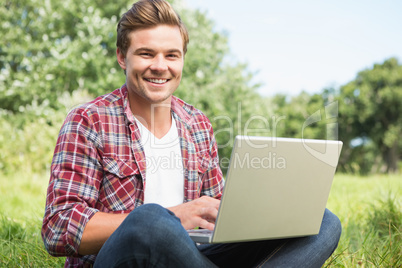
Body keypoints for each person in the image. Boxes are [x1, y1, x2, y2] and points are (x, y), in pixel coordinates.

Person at [41, 0, 342, 267]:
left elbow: (218, 216)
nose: (160, 66)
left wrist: (252, 214)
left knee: (324, 222)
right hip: (127, 257)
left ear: (182, 59)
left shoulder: (198, 124)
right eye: (146, 54)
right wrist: (176, 216)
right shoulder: (88, 121)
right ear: (122, 57)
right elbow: (58, 228)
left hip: (192, 256)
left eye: (172, 55)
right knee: (151, 220)